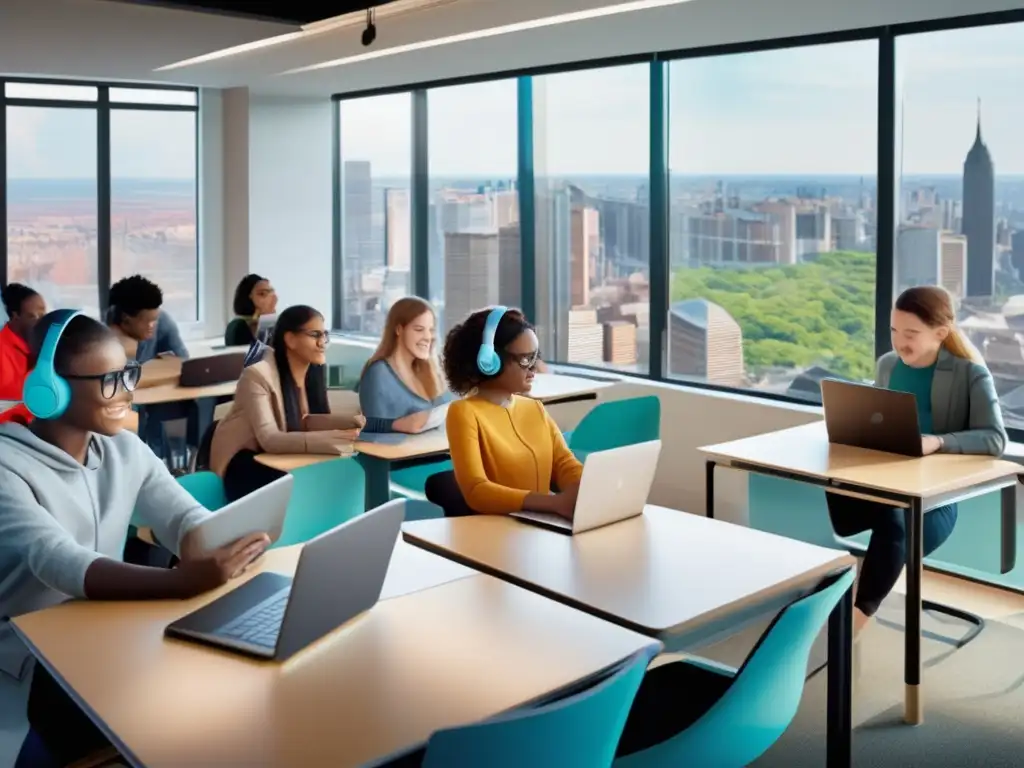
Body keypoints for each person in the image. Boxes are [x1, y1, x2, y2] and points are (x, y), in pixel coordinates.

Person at [0, 310, 269, 767]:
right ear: (51, 388)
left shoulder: (124, 450)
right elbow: (60, 561)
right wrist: (180, 582)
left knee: (212, 706)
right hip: (26, 660)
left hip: (103, 638)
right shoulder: (7, 465)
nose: (127, 390)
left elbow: (185, 519)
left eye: (127, 374)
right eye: (109, 380)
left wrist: (230, 542)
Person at [829, 285, 1006, 638]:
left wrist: (938, 442)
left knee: (897, 522)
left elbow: (995, 438)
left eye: (910, 334)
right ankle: (843, 607)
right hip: (883, 486)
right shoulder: (888, 366)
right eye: (895, 331)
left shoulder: (970, 374)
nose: (899, 342)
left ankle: (857, 620)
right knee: (848, 493)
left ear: (940, 333)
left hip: (933, 503)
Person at [431, 306, 582, 517]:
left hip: (538, 524)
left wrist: (584, 486)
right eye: (525, 359)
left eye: (535, 357)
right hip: (497, 531)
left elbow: (564, 464)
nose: (534, 368)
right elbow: (477, 490)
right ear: (489, 362)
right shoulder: (464, 412)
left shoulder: (534, 408)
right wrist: (552, 503)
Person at [210, 305, 364, 502]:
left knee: (338, 474)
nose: (322, 342)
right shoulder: (257, 375)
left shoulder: (312, 370)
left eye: (324, 335)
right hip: (242, 459)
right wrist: (337, 439)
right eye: (315, 334)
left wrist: (353, 423)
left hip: (278, 456)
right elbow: (270, 439)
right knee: (296, 488)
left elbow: (304, 421)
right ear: (290, 339)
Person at [358, 296, 453, 433]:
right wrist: (397, 424)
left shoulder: (426, 369)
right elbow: (366, 424)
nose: (428, 337)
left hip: (432, 449)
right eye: (419, 329)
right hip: (393, 452)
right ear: (399, 330)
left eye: (431, 330)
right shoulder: (378, 373)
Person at [107, 274, 189, 363]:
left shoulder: (162, 321)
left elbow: (184, 362)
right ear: (126, 319)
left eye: (155, 319)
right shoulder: (102, 342)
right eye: (147, 321)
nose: (152, 326)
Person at [0, 283, 46, 400]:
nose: (42, 322)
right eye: (34, 316)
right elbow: (7, 397)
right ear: (15, 316)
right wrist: (40, 366)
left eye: (44, 315)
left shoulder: (35, 343)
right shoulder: (2, 349)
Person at [225, 274, 278, 347]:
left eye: (271, 292)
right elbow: (261, 355)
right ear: (248, 297)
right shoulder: (240, 326)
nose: (272, 298)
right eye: (262, 294)